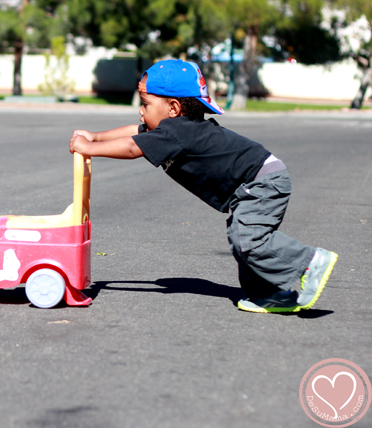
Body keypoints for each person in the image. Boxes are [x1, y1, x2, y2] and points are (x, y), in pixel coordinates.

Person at [69, 59, 338, 313]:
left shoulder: (177, 132)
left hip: (262, 181)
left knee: (248, 238)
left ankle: (309, 262)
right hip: (256, 181)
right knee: (240, 236)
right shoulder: (177, 129)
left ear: (173, 108)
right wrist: (94, 136)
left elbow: (131, 147)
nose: (141, 111)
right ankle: (269, 294)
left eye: (146, 104)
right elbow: (134, 132)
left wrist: (89, 148)